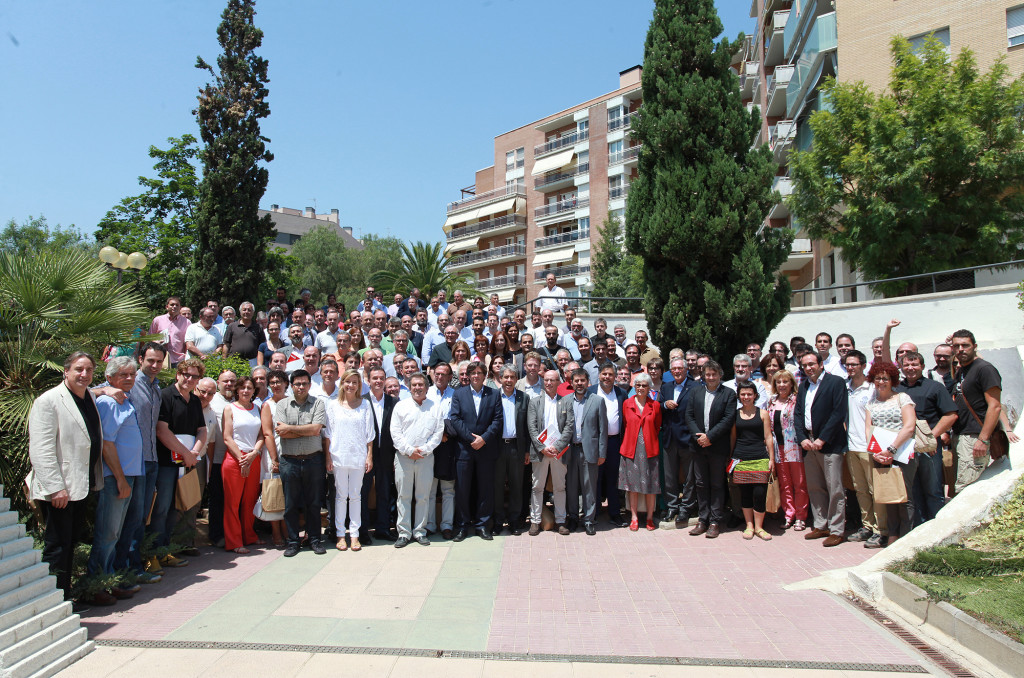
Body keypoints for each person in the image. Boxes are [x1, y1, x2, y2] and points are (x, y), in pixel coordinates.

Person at [28, 352, 105, 603]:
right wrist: (55, 487)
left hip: (81, 484)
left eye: (89, 370)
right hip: (60, 489)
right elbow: (41, 449)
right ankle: (51, 603)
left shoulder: (90, 396)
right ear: (66, 371)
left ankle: (65, 597)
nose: (84, 374)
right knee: (57, 546)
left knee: (70, 542)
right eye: (79, 369)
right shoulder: (48, 401)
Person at [151, 359, 207, 567]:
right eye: (186, 374)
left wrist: (194, 452)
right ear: (178, 374)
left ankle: (166, 551)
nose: (189, 379)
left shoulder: (194, 400)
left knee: (177, 508)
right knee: (161, 508)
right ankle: (152, 555)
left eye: (194, 376)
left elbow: (202, 429)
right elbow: (161, 429)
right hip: (166, 462)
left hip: (187, 462)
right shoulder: (165, 396)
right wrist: (186, 453)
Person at [794, 349, 849, 547]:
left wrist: (822, 439)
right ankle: (821, 524)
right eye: (805, 365)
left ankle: (836, 530)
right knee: (815, 487)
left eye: (812, 364)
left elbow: (838, 413)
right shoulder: (803, 386)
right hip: (808, 444)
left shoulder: (835, 383)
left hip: (830, 444)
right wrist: (802, 439)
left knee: (835, 488)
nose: (809, 368)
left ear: (821, 364)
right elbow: (798, 414)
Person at [896, 351, 958, 525]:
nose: (910, 368)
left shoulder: (935, 387)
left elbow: (951, 415)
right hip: (905, 448)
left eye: (914, 364)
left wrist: (931, 437)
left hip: (929, 448)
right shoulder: (897, 390)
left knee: (933, 490)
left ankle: (937, 530)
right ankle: (917, 530)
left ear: (922, 366)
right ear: (901, 367)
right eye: (906, 364)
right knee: (912, 492)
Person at [273, 369, 327, 557]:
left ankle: (314, 539)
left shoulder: (318, 403)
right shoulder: (282, 405)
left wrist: (292, 429)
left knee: (313, 504)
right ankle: (293, 541)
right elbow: (282, 432)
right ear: (291, 385)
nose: (301, 387)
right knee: (291, 504)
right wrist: (305, 430)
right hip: (290, 461)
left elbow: (316, 430)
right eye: (297, 384)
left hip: (313, 460)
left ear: (310, 385)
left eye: (304, 383)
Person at [124, 342, 166, 584]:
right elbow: (100, 389)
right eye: (150, 360)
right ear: (140, 359)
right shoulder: (130, 382)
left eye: (159, 361)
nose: (155, 365)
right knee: (133, 516)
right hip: (133, 462)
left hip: (151, 459)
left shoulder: (156, 387)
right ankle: (129, 568)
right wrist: (103, 391)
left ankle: (136, 564)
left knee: (142, 517)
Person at [449, 362, 504, 540]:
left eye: (479, 373)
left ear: (484, 375)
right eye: (472, 373)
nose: (476, 376)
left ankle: (482, 525)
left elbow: (497, 420)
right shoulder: (459, 394)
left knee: (485, 489)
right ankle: (463, 526)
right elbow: (455, 419)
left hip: (486, 449)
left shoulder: (494, 394)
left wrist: (484, 438)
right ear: (468, 375)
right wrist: (471, 439)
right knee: (463, 489)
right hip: (465, 449)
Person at [865, 361, 918, 543]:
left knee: (905, 496)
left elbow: (909, 426)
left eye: (885, 378)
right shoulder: (871, 403)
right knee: (889, 496)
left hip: (902, 453)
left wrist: (891, 449)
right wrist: (878, 453)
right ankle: (893, 535)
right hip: (880, 455)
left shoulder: (902, 398)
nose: (881, 382)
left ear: (892, 380)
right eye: (878, 378)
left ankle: (906, 537)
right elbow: (868, 429)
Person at [684, 360, 737, 539]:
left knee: (716, 484)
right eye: (708, 374)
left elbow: (728, 419)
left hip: (717, 446)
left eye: (714, 374)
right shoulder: (695, 392)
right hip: (698, 446)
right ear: (704, 376)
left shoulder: (728, 394)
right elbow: (689, 415)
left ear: (720, 375)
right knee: (700, 484)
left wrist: (710, 437)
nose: (711, 377)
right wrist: (699, 437)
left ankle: (715, 521)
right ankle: (703, 519)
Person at [389, 373, 444, 547]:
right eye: (414, 385)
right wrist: (409, 450)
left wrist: (425, 450)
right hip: (404, 457)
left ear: (427, 388)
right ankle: (404, 533)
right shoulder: (401, 406)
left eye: (421, 385)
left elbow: (438, 433)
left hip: (425, 458)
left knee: (423, 496)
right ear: (410, 387)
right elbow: (395, 433)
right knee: (403, 496)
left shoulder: (435, 407)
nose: (417, 388)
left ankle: (420, 531)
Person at [325, 369, 375, 551]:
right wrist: (328, 457)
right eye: (348, 381)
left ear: (359, 385)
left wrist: (369, 456)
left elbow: (370, 434)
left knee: (355, 496)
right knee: (340, 496)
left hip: (358, 456)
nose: (351, 385)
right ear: (343, 383)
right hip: (338, 456)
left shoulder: (365, 405)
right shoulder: (333, 405)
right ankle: (340, 535)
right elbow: (327, 434)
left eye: (355, 382)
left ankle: (354, 535)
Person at [949, 329, 1002, 493]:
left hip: (975, 438)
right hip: (961, 436)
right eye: (956, 346)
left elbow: (995, 406)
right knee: (962, 487)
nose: (961, 349)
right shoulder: (962, 370)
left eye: (965, 345)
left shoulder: (984, 369)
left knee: (966, 489)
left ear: (974, 346)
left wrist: (983, 439)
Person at [843, 349, 885, 547]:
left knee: (874, 489)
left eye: (854, 364)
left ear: (863, 365)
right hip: (851, 447)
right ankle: (867, 526)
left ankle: (880, 529)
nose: (850, 368)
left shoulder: (872, 388)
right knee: (860, 490)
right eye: (848, 365)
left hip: (870, 447)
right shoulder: (845, 387)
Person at [526, 370, 575, 536]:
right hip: (541, 452)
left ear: (558, 382)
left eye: (552, 380)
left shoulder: (566, 402)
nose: (549, 383)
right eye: (546, 380)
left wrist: (558, 446)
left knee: (560, 487)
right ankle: (535, 521)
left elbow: (569, 425)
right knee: (537, 487)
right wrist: (542, 447)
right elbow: (531, 427)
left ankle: (560, 521)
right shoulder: (535, 402)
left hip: (558, 452)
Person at [221, 376, 264, 554]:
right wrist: (241, 458)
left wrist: (254, 454)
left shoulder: (258, 408)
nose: (246, 391)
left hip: (253, 458)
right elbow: (227, 437)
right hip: (234, 459)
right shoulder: (229, 408)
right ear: (237, 390)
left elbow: (262, 435)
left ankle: (249, 536)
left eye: (249, 388)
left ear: (254, 390)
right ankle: (234, 541)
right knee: (233, 502)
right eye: (243, 388)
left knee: (249, 500)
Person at [565, 369, 607, 535]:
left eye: (583, 380)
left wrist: (602, 453)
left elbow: (603, 429)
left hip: (589, 450)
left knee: (589, 487)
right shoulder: (566, 401)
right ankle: (573, 517)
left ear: (588, 382)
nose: (580, 383)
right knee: (572, 486)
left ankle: (589, 519)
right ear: (572, 382)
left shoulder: (597, 401)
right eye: (576, 380)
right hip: (570, 450)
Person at [731, 383, 775, 541]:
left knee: (759, 493)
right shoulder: (735, 414)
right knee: (745, 493)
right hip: (741, 459)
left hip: (760, 457)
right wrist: (730, 458)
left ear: (755, 395)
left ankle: (759, 527)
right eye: (743, 394)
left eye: (749, 394)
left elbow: (768, 437)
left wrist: (772, 459)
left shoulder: (763, 413)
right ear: (739, 396)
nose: (746, 397)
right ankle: (749, 526)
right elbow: (733, 438)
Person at [619, 372, 662, 531]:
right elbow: (625, 424)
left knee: (651, 485)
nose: (641, 388)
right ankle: (634, 517)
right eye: (638, 385)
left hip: (650, 449)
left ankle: (650, 518)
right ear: (634, 386)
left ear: (649, 387)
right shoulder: (627, 403)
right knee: (632, 485)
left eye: (644, 385)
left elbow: (657, 426)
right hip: (631, 448)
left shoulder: (655, 405)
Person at [767, 370, 809, 532]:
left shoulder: (797, 400)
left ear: (792, 383)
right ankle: (788, 514)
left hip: (794, 447)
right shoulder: (772, 401)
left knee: (799, 484)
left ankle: (800, 516)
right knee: (784, 484)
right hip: (778, 448)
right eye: (779, 382)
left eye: (785, 382)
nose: (782, 385)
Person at [659, 357, 697, 527]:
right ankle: (672, 507)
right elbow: (658, 405)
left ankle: (687, 507)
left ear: (686, 369)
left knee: (690, 477)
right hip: (669, 438)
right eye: (674, 369)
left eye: (680, 368)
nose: (677, 371)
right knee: (669, 476)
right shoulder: (666, 387)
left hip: (688, 438)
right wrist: (665, 404)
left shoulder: (695, 387)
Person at [361, 367, 398, 543]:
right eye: (375, 378)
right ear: (368, 380)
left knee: (384, 492)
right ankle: (363, 530)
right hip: (366, 454)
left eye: (381, 378)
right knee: (363, 492)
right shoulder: (361, 401)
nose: (378, 381)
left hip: (386, 454)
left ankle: (383, 529)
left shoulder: (394, 402)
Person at [426, 363, 458, 538]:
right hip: (430, 446)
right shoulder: (426, 393)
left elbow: (455, 420)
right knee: (430, 489)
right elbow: (424, 419)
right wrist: (438, 435)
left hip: (448, 446)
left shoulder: (456, 395)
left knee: (448, 489)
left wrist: (444, 433)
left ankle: (447, 525)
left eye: (444, 374)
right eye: (437, 374)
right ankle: (430, 525)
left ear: (450, 376)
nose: (440, 377)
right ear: (432, 374)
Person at [257, 370, 288, 548]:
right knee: (273, 492)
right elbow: (267, 433)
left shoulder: (291, 401)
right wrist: (275, 459)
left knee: (286, 494)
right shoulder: (267, 405)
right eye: (272, 382)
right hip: (273, 453)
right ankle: (276, 533)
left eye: (279, 382)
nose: (275, 385)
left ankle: (286, 530)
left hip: (290, 453)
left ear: (286, 384)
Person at [150, 296, 191, 367]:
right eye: (172, 305)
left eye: (177, 305)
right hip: (160, 358)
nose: (174, 307)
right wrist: (155, 342)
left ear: (180, 308)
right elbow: (150, 337)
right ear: (167, 307)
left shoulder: (187, 322)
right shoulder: (158, 320)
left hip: (179, 359)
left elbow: (188, 342)